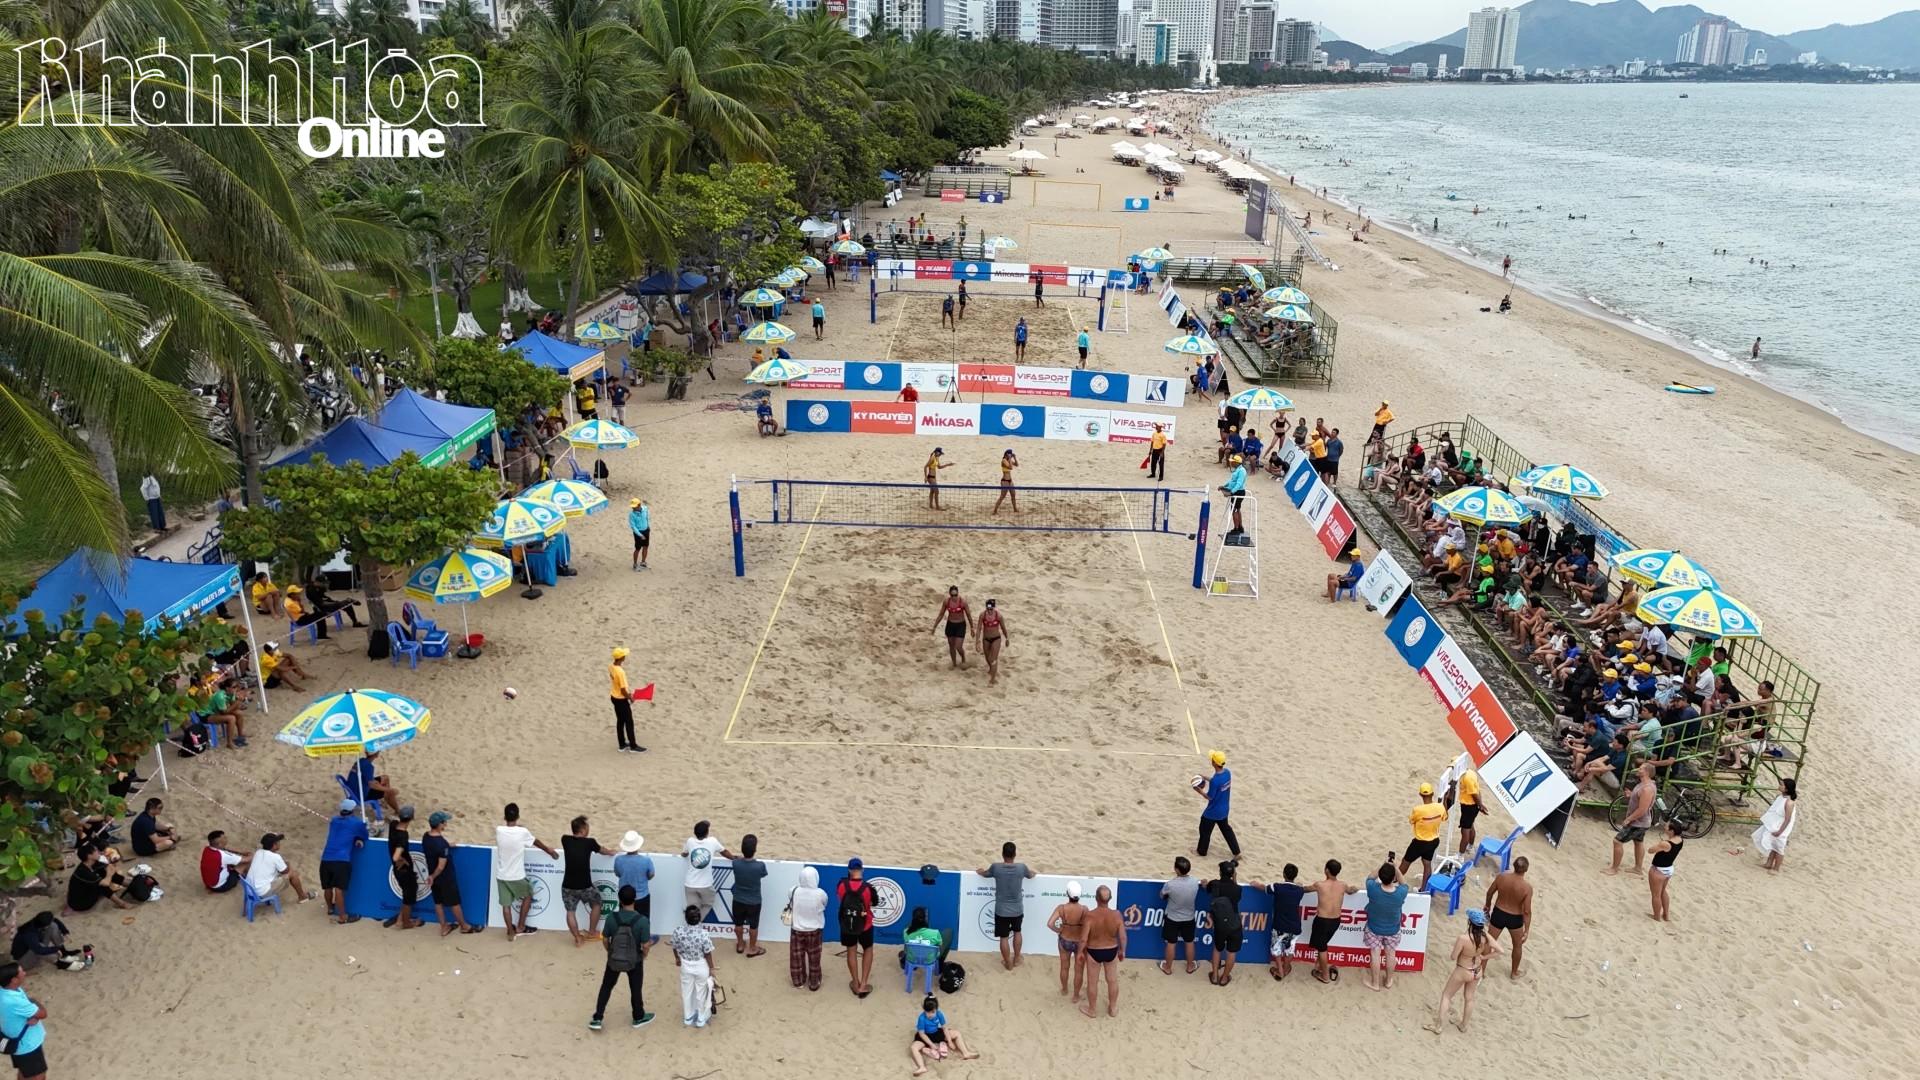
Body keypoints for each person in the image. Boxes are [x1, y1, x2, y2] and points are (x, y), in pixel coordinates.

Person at [589, 885, 654, 1031]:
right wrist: (643, 956)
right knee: (635, 988)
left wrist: (610, 952)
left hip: (614, 958)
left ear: (620, 900)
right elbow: (645, 945)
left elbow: (605, 939)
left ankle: (598, 1017)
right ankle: (638, 1016)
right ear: (635, 899)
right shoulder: (642, 921)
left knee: (606, 987)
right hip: (634, 959)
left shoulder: (612, 917)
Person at [1425, 909, 1498, 1035]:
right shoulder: (1485, 937)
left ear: (1470, 922)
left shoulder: (1463, 938)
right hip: (1477, 970)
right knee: (1469, 998)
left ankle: (1438, 1026)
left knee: (1446, 995)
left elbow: (1453, 956)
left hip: (1463, 970)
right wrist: (1484, 957)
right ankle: (1464, 1025)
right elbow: (1500, 951)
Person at [495, 803, 558, 940]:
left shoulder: (499, 830)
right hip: (516, 875)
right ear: (518, 816)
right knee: (529, 895)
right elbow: (536, 842)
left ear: (504, 817)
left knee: (506, 906)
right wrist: (548, 850)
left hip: (501, 875)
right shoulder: (522, 832)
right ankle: (521, 926)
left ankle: (511, 932)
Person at [977, 841, 1035, 971]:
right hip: (1017, 909)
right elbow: (1030, 875)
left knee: (1004, 937)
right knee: (1017, 932)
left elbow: (986, 874)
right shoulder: (1021, 868)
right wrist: (1034, 873)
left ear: (1003, 854)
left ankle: (1008, 963)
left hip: (1001, 910)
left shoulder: (996, 867)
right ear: (1015, 854)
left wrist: (980, 872)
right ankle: (1016, 958)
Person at [423, 811, 480, 935]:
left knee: (438, 902)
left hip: (434, 877)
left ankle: (444, 927)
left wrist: (448, 846)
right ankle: (464, 926)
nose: (446, 824)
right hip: (445, 878)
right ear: (439, 824)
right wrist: (433, 876)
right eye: (444, 822)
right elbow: (441, 866)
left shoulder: (426, 836)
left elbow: (436, 848)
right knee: (454, 902)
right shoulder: (441, 844)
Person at [561, 816, 614, 947]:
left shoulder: (565, 840)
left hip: (567, 885)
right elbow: (603, 851)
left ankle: (578, 938)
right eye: (587, 827)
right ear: (583, 829)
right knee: (597, 903)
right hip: (585, 885)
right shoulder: (590, 842)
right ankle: (592, 932)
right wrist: (611, 852)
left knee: (570, 912)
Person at [1308, 859, 1359, 985]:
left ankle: (1325, 976)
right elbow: (1351, 890)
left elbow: (1303, 890)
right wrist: (1355, 888)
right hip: (1336, 921)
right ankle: (1320, 967)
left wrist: (1296, 885)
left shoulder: (1319, 885)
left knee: (1322, 948)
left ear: (1326, 870)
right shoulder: (1343, 885)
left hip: (1322, 921)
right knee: (1323, 944)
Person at [1079, 885, 1126, 1018]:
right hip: (1111, 950)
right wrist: (1122, 950)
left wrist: (1079, 953)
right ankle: (1113, 1008)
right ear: (1110, 899)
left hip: (1094, 951)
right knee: (1112, 980)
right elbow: (1122, 936)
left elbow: (1083, 939)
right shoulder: (1116, 915)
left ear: (1096, 898)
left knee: (1092, 982)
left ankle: (1092, 1010)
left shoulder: (1090, 916)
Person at [1251, 864, 1305, 981]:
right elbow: (1302, 887)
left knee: (1276, 948)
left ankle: (1280, 971)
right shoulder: (1299, 890)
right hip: (1295, 925)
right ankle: (1286, 969)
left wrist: (1254, 884)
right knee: (1290, 949)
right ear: (1295, 876)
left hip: (1280, 925)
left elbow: (1263, 887)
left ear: (1283, 874)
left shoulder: (1277, 887)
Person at [320, 798, 369, 924]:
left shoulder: (334, 821)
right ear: (353, 811)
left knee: (327, 887)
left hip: (326, 858)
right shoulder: (357, 823)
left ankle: (330, 909)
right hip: (341, 859)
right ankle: (343, 917)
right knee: (339, 889)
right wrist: (358, 839)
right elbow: (365, 835)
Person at [1483, 855, 1532, 979]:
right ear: (1526, 869)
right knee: (1517, 946)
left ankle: (1481, 971)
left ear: (1514, 866)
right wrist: (1527, 930)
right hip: (1515, 918)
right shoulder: (1527, 888)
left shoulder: (1502, 877)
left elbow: (1489, 893)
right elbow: (1526, 911)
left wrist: (1488, 906)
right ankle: (1514, 973)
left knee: (1489, 943)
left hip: (1499, 913)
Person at [1363, 861, 1409, 992]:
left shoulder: (1372, 889)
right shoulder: (1401, 893)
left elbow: (1370, 877)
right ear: (1393, 877)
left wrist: (1382, 865)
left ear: (1381, 877)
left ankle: (1375, 983)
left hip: (1374, 928)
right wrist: (1395, 868)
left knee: (1375, 955)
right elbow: (1404, 883)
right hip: (1393, 929)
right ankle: (1388, 981)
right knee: (1391, 954)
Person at [837, 858, 879, 997]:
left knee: (851, 951)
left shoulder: (841, 885)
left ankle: (855, 982)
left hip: (848, 924)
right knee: (868, 949)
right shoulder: (868, 888)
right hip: (865, 924)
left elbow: (840, 899)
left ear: (849, 870)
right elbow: (874, 903)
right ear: (862, 869)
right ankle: (863, 984)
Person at [671, 904, 717, 1028]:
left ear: (686, 918)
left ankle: (688, 1017)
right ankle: (701, 1018)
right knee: (701, 992)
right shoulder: (703, 933)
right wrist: (712, 968)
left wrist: (677, 958)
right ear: (699, 918)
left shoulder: (678, 931)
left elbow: (674, 946)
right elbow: (707, 953)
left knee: (686, 991)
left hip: (686, 964)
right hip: (701, 965)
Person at [1607, 762, 1658, 875]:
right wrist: (1631, 795)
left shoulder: (1647, 789)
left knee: (1617, 841)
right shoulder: (1643, 784)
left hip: (1638, 822)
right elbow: (1640, 799)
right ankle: (1638, 868)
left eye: (1640, 769)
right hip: (1642, 822)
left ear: (1647, 773)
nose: (1638, 770)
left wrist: (1629, 819)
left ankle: (1614, 868)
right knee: (1638, 842)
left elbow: (1642, 809)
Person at [1, 962, 49, 1080]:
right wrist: (34, 1003)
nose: (25, 973)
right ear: (13, 980)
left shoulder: (4, 990)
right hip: (27, 1045)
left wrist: (32, 1011)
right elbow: (43, 1013)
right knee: (38, 1076)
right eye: (21, 972)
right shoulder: (14, 1001)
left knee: (24, 1073)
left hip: (17, 1042)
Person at [910, 994, 980, 1075]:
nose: (930, 1015)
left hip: (936, 1032)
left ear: (936, 1009)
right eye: (927, 1012)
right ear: (924, 1010)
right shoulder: (921, 1018)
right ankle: (922, 1067)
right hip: (925, 1036)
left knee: (956, 1033)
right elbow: (921, 1034)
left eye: (932, 1012)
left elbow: (944, 1028)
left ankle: (966, 1053)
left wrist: (950, 1041)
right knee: (913, 1047)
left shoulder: (939, 1014)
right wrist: (931, 1044)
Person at [243, 833, 315, 908]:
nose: (279, 843)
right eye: (278, 842)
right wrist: (288, 865)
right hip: (261, 892)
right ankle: (302, 897)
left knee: (282, 870)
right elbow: (285, 871)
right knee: (293, 874)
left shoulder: (258, 852)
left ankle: (302, 895)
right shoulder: (275, 857)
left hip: (250, 890)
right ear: (274, 845)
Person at [682, 820, 734, 921]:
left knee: (692, 909)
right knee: (708, 904)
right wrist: (733, 858)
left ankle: (693, 924)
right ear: (707, 833)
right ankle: (697, 923)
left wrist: (684, 855)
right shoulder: (712, 841)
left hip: (690, 884)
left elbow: (684, 853)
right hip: (705, 885)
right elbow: (724, 852)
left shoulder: (690, 841)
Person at [1200, 862, 1242, 986]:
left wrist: (1204, 883)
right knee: (1231, 953)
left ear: (1220, 872)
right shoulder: (1238, 889)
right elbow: (1236, 892)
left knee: (1217, 949)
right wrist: (1234, 878)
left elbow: (1205, 886)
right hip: (1234, 924)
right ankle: (1224, 978)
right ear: (1232, 874)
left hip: (1220, 924)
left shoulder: (1214, 884)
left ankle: (1214, 976)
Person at [788, 865, 828, 991]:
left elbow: (791, 900)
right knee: (814, 957)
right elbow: (824, 904)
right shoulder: (821, 893)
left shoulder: (793, 890)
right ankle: (814, 983)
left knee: (796, 957)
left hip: (797, 929)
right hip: (815, 930)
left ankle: (798, 981)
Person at [1399, 783, 1447, 889]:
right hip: (1434, 840)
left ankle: (1394, 882)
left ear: (1420, 795)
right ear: (1432, 793)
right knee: (1427, 864)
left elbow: (1411, 821)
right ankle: (1423, 888)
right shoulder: (1440, 807)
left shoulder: (1418, 810)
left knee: (1405, 862)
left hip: (1420, 842)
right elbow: (1444, 817)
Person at [1194, 750, 1240, 860]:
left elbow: (1209, 797)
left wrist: (1199, 790)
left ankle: (1201, 852)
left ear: (1214, 763)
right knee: (1226, 830)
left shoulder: (1215, 781)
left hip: (1213, 811)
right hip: (1224, 809)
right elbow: (1217, 782)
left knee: (1204, 830)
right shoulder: (1227, 773)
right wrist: (1205, 777)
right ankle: (1237, 852)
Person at [1158, 856, 1199, 975]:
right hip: (1189, 917)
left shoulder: (1170, 885)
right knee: (1189, 941)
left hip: (1173, 918)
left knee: (1171, 943)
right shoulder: (1194, 881)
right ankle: (1190, 966)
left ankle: (1168, 967)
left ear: (1176, 870)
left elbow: (1161, 895)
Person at [1046, 882, 1087, 998]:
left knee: (1064, 966)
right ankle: (1076, 995)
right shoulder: (1084, 909)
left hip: (1065, 939)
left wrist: (1059, 930)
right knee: (1079, 970)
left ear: (1067, 894)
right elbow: (1088, 926)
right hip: (1079, 942)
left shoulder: (1062, 908)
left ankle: (1064, 989)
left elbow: (1049, 923)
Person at [731, 834, 769, 957]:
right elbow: (764, 874)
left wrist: (741, 859)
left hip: (738, 899)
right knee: (753, 926)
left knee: (738, 924)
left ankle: (741, 944)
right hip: (754, 901)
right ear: (755, 849)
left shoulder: (736, 863)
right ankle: (752, 948)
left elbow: (738, 861)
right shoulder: (760, 866)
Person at [9, 914, 81, 973]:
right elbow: (39, 950)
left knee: (53, 926)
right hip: (23, 960)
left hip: (34, 946)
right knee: (40, 947)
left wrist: (65, 932)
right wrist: (56, 949)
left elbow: (55, 920)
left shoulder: (36, 922)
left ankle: (64, 953)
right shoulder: (29, 934)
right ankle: (60, 964)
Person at [1753, 777, 1797, 872]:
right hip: (1775, 824)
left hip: (1781, 827)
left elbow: (1787, 819)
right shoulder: (1781, 797)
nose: (1779, 786)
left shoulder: (1789, 803)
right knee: (1774, 845)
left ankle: (1776, 868)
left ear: (1786, 789)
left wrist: (1780, 831)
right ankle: (1769, 864)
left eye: (1782, 785)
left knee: (1779, 847)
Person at [612, 831, 655, 918]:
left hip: (624, 897)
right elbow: (651, 875)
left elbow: (617, 873)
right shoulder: (646, 860)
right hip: (641, 896)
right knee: (643, 922)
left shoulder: (618, 860)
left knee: (624, 922)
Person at [609, 647, 643, 753]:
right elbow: (623, 689)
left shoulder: (611, 666)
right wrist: (630, 697)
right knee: (629, 722)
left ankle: (622, 744)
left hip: (614, 697)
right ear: (622, 658)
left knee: (620, 721)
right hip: (621, 699)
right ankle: (633, 746)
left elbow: (615, 682)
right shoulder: (621, 672)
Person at [1648, 819, 1684, 921]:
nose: (1664, 827)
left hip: (1658, 870)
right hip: (1669, 869)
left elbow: (1650, 850)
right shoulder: (1680, 840)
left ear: (1671, 831)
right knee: (1663, 891)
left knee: (1656, 895)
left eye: (1666, 827)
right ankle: (1666, 915)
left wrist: (1660, 843)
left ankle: (1656, 917)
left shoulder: (1665, 844)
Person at [351, 750, 401, 817]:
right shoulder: (368, 766)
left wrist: (375, 782)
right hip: (362, 794)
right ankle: (397, 811)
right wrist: (389, 790)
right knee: (390, 792)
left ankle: (387, 799)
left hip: (355, 789)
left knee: (385, 778)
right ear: (376, 755)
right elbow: (371, 785)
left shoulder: (361, 761)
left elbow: (365, 777)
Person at [933, 585, 972, 669]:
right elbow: (941, 614)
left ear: (958, 594)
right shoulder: (947, 602)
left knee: (958, 646)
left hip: (960, 625)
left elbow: (968, 615)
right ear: (950, 595)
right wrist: (934, 626)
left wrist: (972, 628)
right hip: (950, 624)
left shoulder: (963, 602)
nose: (954, 597)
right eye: (952, 595)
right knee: (951, 645)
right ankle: (954, 663)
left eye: (955, 595)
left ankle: (963, 657)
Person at [977, 599, 1010, 687]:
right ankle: (992, 669)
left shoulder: (998, 616)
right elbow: (979, 628)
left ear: (994, 608)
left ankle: (993, 679)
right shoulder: (982, 615)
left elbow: (1003, 628)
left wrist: (1007, 638)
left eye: (991, 609)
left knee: (993, 659)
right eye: (988, 609)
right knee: (987, 658)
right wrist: (977, 641)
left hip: (996, 639)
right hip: (986, 639)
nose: (990, 611)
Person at [1455, 767, 1484, 854]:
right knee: (1470, 825)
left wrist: (1480, 805)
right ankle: (1470, 846)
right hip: (1472, 806)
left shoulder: (1467, 778)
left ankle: (1460, 855)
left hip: (1469, 807)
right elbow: (1477, 790)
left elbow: (1474, 794)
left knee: (1465, 831)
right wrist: (1480, 805)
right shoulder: (1471, 772)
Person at [1220, 456, 1247, 539]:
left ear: (1237, 462)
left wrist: (1232, 492)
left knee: (1234, 510)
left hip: (1238, 492)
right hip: (1236, 492)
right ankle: (1240, 527)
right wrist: (1224, 486)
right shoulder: (1237, 469)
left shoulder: (1241, 471)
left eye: (1233, 461)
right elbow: (1231, 481)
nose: (1231, 463)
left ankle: (1236, 528)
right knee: (1237, 509)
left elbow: (1239, 484)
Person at [629, 499, 651, 572]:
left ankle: (643, 562)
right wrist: (640, 535)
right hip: (638, 533)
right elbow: (633, 526)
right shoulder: (631, 514)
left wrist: (648, 526)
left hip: (646, 530)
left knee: (645, 546)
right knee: (637, 549)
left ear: (639, 505)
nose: (633, 508)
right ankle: (635, 564)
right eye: (632, 507)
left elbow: (648, 517)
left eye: (634, 507)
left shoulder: (645, 509)